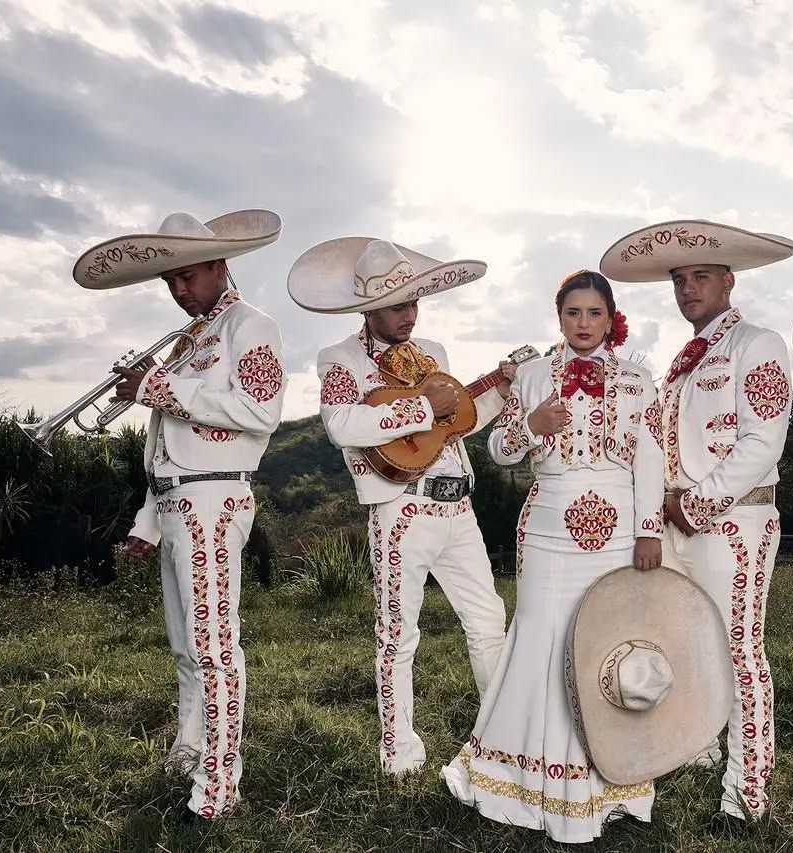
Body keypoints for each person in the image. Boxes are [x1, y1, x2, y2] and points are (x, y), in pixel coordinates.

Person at [78, 208, 287, 821]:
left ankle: (219, 786)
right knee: (185, 646)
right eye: (169, 282)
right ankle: (191, 749)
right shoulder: (186, 341)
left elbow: (260, 410)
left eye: (188, 277)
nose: (178, 291)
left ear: (221, 267)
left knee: (215, 646)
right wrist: (148, 521)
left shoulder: (252, 326)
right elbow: (168, 444)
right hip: (175, 501)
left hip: (216, 500)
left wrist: (155, 388)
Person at [443, 270, 663, 843]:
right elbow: (497, 451)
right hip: (547, 528)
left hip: (616, 530)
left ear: (611, 318)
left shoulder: (639, 381)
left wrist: (648, 531)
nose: (583, 324)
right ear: (558, 316)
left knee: (602, 641)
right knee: (540, 635)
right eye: (573, 313)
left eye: (594, 313)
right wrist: (532, 427)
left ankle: (606, 783)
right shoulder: (536, 373)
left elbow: (650, 459)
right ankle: (519, 778)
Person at [599, 220, 793, 831]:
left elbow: (764, 441)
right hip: (678, 524)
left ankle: (747, 794)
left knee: (738, 651)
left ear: (728, 282)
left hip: (734, 521)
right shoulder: (681, 364)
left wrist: (697, 502)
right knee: (682, 644)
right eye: (680, 280)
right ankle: (698, 748)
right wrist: (655, 515)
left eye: (701, 277)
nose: (688, 289)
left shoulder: (758, 345)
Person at [287, 237, 508, 776]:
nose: (409, 315)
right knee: (398, 635)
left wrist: (499, 388)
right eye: (396, 306)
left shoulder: (434, 351)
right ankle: (400, 756)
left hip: (458, 509)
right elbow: (343, 425)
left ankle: (502, 739)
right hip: (399, 510)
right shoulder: (337, 359)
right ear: (367, 309)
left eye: (414, 303)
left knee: (489, 619)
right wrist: (418, 407)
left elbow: (458, 421)